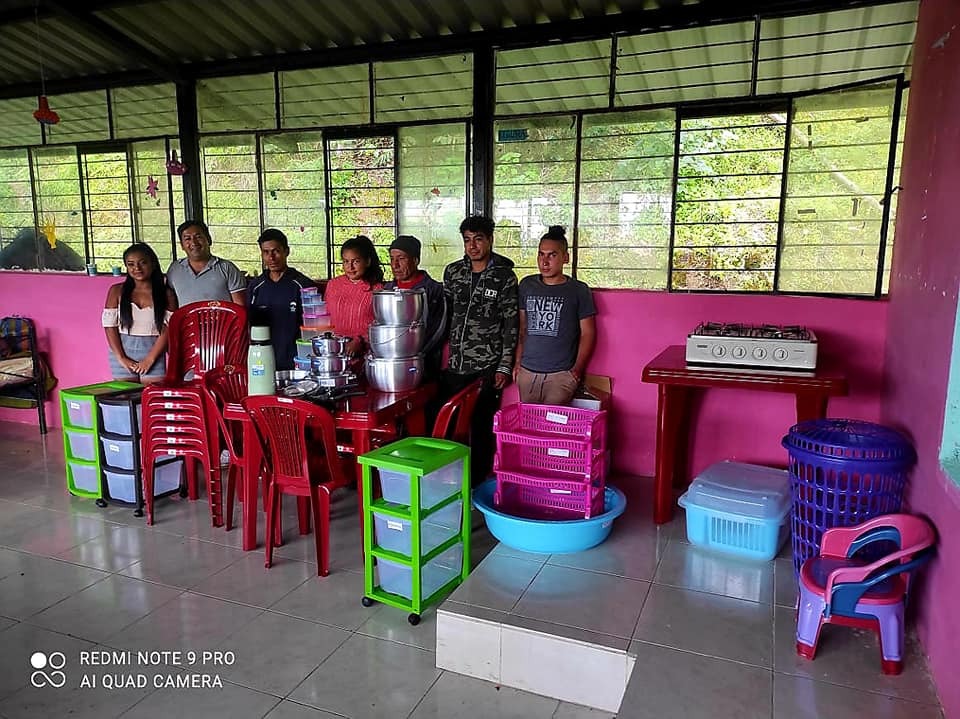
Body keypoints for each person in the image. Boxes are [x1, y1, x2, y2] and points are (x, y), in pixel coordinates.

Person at [442, 215, 519, 481]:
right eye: (467, 240)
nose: (472, 246)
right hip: (456, 365)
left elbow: (512, 324)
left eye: (478, 239)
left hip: (487, 365)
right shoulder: (453, 273)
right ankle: (450, 476)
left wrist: (505, 365)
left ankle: (476, 480)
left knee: (482, 425)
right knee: (451, 422)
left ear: (489, 240)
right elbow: (445, 314)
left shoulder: (504, 277)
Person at [514, 226, 597, 405]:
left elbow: (588, 333)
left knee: (551, 426)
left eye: (552, 255)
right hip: (527, 372)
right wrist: (518, 363)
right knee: (528, 424)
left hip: (561, 374)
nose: (545, 261)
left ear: (565, 258)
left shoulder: (578, 290)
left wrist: (576, 370)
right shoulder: (527, 285)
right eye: (541, 254)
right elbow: (523, 328)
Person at [102, 243, 178, 383]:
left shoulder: (167, 295)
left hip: (153, 354)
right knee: (125, 401)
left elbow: (168, 329)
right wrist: (122, 359)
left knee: (151, 400)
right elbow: (109, 327)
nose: (137, 268)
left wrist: (150, 359)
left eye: (142, 263)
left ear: (153, 264)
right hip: (122, 355)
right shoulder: (116, 291)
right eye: (131, 264)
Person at [247, 228, 317, 370]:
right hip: (263, 360)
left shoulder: (303, 285)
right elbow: (249, 326)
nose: (271, 257)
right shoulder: (256, 287)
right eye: (266, 252)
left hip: (297, 362)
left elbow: (314, 329)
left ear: (287, 251)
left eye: (276, 251)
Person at [383, 235, 447, 378]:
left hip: (425, 364)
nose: (395, 265)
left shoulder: (434, 290)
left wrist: (413, 354)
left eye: (401, 259)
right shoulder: (387, 290)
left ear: (416, 260)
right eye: (392, 259)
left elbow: (438, 329)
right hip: (391, 363)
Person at [324, 235, 384, 357]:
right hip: (333, 353)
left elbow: (382, 325)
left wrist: (360, 340)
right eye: (346, 261)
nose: (350, 267)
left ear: (367, 261)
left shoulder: (378, 289)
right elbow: (324, 317)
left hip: (366, 355)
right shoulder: (333, 285)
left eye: (356, 261)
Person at [165, 220, 247, 307]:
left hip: (222, 320)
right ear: (182, 245)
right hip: (188, 321)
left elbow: (240, 307)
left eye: (198, 237)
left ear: (209, 239)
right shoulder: (175, 269)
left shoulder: (227, 268)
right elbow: (171, 305)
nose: (194, 243)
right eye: (188, 239)